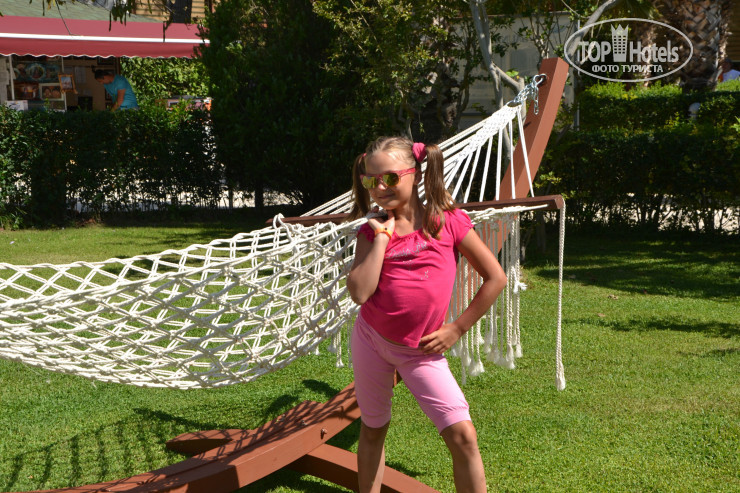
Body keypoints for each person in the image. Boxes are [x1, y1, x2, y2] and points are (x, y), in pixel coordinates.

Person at [346, 136, 508, 493]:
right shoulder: (371, 231)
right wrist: (382, 239)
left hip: (421, 351)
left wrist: (457, 328)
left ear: (416, 175)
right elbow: (359, 293)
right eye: (371, 180)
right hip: (371, 341)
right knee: (373, 430)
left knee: (463, 436)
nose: (380, 188)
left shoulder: (447, 222)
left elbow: (496, 277)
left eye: (390, 178)